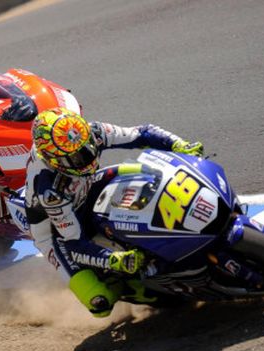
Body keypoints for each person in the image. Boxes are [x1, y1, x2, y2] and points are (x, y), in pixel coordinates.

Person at [25, 107, 204, 317]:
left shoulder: (92, 133)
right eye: (73, 157)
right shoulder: (49, 190)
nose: (86, 156)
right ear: (53, 160)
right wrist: (114, 259)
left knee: (147, 173)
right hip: (55, 229)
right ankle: (128, 287)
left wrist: (179, 144)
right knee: (99, 303)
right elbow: (75, 242)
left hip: (86, 187)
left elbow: (141, 133)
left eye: (86, 148)